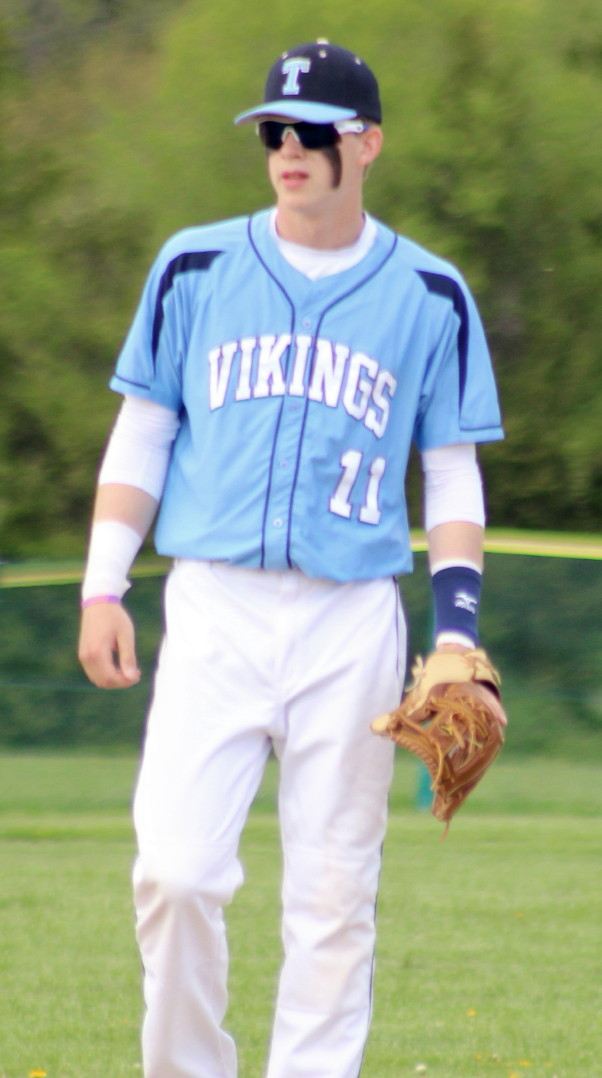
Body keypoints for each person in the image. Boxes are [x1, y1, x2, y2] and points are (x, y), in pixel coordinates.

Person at [78, 40, 503, 1078]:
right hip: (213, 605)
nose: (288, 148)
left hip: (350, 617)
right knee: (175, 874)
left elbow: (449, 472)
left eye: (312, 131)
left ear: (367, 144)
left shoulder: (429, 292)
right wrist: (102, 584)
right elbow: (144, 431)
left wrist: (456, 630)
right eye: (273, 129)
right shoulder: (195, 266)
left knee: (332, 896)